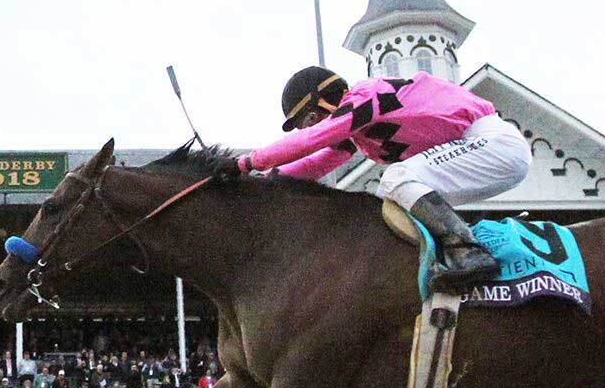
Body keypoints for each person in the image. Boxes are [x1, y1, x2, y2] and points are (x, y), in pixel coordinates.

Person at [217, 65, 530, 291]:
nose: (308, 128)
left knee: (396, 178)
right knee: (397, 190)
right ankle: (445, 252)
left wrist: (245, 163)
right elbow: (316, 165)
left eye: (310, 119)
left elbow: (313, 140)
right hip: (478, 150)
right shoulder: (358, 133)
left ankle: (468, 252)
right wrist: (261, 180)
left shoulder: (367, 95)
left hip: (494, 142)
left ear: (327, 99)